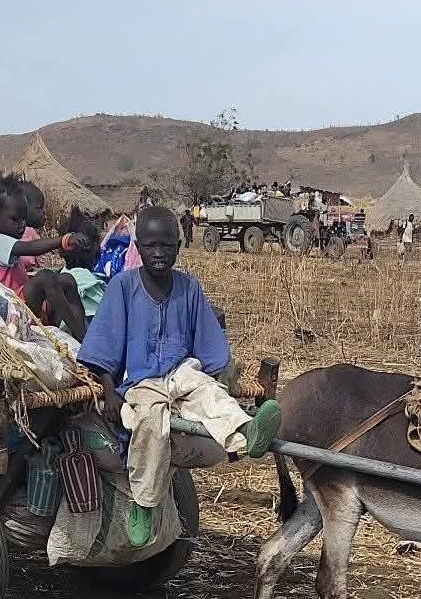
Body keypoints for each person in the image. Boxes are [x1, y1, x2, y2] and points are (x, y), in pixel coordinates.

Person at [79, 205, 282, 548]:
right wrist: (109, 391)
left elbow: (208, 345)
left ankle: (248, 430)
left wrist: (222, 378)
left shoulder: (188, 288)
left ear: (178, 245)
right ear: (138, 247)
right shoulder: (123, 288)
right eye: (151, 245)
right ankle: (143, 502)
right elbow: (103, 347)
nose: (159, 253)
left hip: (181, 371)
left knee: (208, 393)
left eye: (167, 245)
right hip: (140, 381)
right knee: (150, 422)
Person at [0, 172, 90, 297]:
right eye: (15, 219)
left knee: (67, 280)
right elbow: (30, 247)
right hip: (8, 301)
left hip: (20, 297)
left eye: (24, 219)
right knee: (45, 277)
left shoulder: (5, 241)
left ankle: (75, 318)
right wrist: (64, 240)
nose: (22, 224)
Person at [24, 208, 106, 341]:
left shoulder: (60, 276)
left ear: (62, 253)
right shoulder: (91, 283)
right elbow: (104, 321)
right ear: (96, 250)